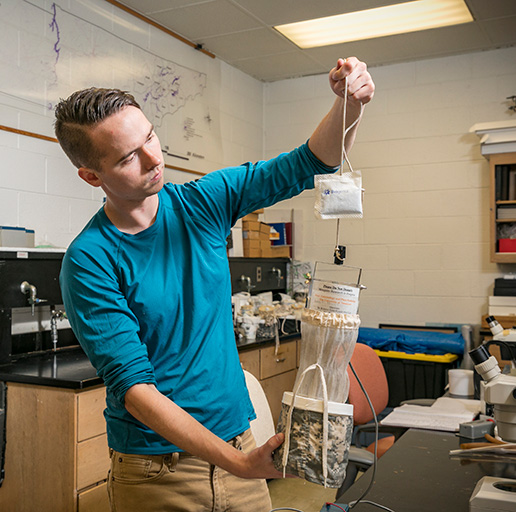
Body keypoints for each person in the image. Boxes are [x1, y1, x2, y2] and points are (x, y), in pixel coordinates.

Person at [56, 57, 374, 511]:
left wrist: (350, 104)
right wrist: (238, 463)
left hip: (239, 444)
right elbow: (137, 391)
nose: (153, 159)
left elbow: (310, 162)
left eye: (150, 137)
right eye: (129, 157)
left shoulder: (204, 202)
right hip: (156, 471)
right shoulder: (90, 260)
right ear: (92, 176)